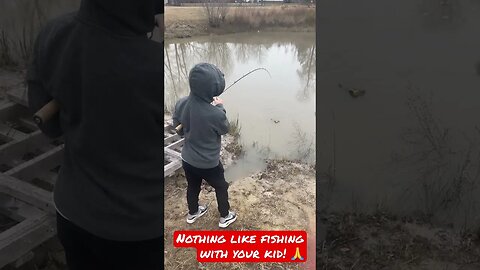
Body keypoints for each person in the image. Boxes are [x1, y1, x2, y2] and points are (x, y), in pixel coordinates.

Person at [27, 1, 164, 269]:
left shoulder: (54, 34)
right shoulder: (157, 66)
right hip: (140, 231)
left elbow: (51, 127)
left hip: (74, 215)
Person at [173, 63, 237, 228]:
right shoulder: (215, 113)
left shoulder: (181, 103)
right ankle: (225, 216)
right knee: (221, 186)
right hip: (209, 164)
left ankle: (193, 213)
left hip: (187, 159)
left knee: (193, 186)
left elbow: (178, 128)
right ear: (213, 90)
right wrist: (220, 107)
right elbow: (224, 129)